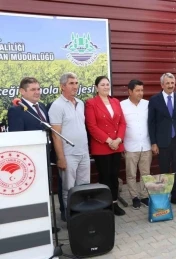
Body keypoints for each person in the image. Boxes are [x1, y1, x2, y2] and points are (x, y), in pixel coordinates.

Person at [8, 77, 60, 233]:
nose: (37, 92)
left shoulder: (42, 107)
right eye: (33, 89)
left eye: (38, 89)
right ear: (22, 92)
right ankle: (34, 227)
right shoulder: (16, 110)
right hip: (30, 161)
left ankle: (45, 224)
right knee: (33, 195)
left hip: (45, 157)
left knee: (45, 193)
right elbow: (18, 139)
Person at [49, 72, 90, 218]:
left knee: (84, 187)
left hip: (84, 153)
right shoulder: (57, 106)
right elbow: (55, 134)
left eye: (76, 83)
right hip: (68, 155)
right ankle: (71, 219)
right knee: (68, 189)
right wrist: (61, 158)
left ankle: (82, 216)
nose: (75, 86)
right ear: (62, 86)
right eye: (71, 83)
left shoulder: (80, 103)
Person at [85, 76, 126, 216]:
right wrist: (109, 141)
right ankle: (104, 205)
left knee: (115, 176)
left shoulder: (115, 101)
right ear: (96, 87)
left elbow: (122, 123)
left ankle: (114, 203)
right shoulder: (91, 103)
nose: (106, 87)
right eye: (102, 85)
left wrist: (119, 139)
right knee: (105, 177)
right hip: (102, 146)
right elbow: (92, 126)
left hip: (117, 145)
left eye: (107, 84)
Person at [148, 72, 176, 207]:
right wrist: (153, 142)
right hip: (162, 142)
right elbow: (151, 122)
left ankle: (175, 197)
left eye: (172, 83)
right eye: (168, 83)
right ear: (162, 85)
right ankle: (164, 197)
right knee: (164, 170)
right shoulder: (154, 100)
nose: (171, 86)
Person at [120, 79, 152, 210]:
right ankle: (134, 197)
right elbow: (119, 125)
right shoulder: (122, 105)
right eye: (138, 90)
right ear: (130, 91)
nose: (141, 93)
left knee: (146, 173)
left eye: (142, 90)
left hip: (146, 145)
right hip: (130, 146)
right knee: (131, 174)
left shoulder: (147, 104)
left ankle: (144, 196)